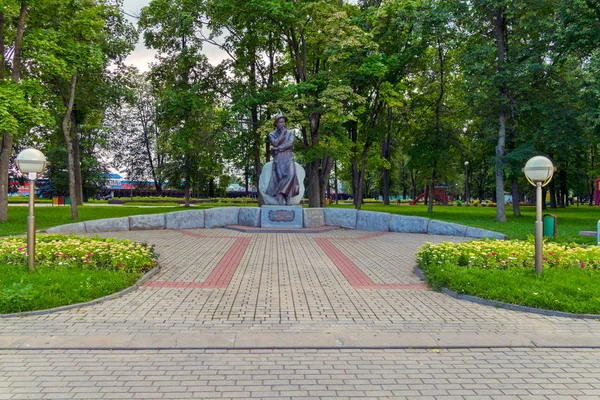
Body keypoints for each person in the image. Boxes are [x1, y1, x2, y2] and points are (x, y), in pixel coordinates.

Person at [266, 114, 299, 206]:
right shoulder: (272, 134)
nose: (283, 124)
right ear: (276, 123)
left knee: (291, 174)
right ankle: (286, 197)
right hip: (279, 157)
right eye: (280, 122)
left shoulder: (291, 132)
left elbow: (290, 143)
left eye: (284, 122)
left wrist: (278, 148)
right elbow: (275, 143)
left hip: (288, 155)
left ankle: (280, 194)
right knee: (281, 176)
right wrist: (282, 135)